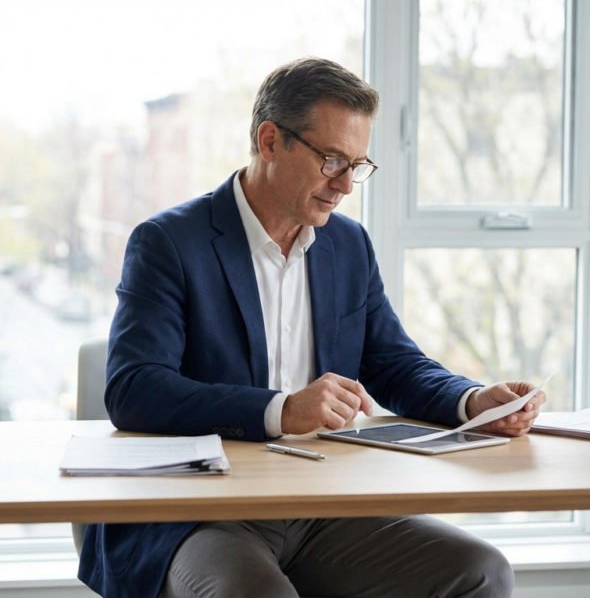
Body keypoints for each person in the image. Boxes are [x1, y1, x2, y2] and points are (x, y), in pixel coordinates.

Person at [78, 57, 545, 598]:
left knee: (482, 572)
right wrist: (281, 410)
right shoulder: (168, 242)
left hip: (324, 504)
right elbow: (134, 388)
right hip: (200, 514)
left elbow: (392, 362)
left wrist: (472, 401)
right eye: (331, 160)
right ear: (271, 141)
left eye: (358, 165)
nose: (346, 184)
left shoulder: (347, 245)